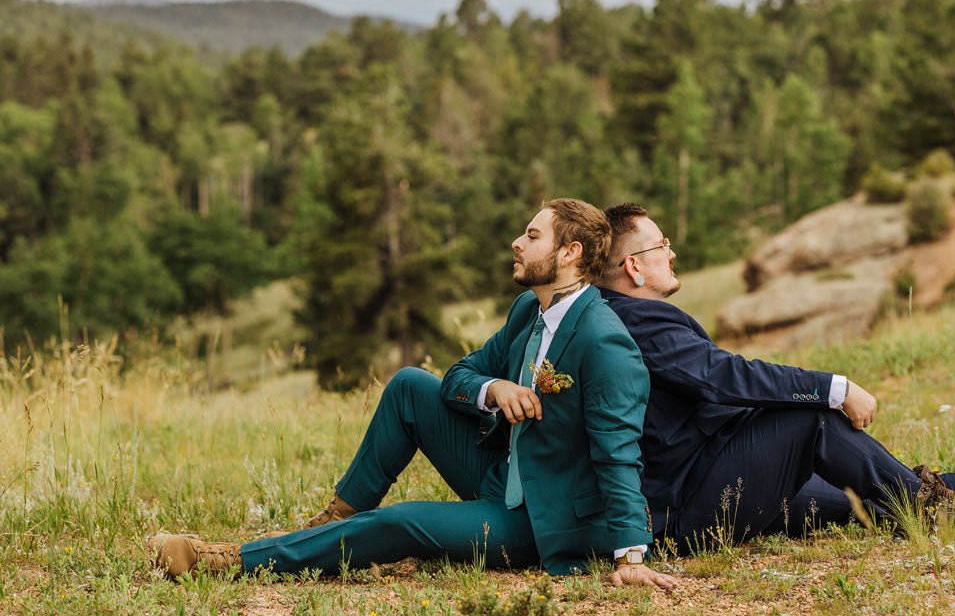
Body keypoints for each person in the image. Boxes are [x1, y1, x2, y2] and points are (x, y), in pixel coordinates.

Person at [150, 198, 678, 591]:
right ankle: (333, 525)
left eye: (532, 236)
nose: (517, 243)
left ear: (570, 252)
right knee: (408, 385)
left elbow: (618, 452)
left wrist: (630, 556)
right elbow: (458, 377)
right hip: (501, 475)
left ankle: (226, 560)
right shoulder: (528, 312)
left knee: (402, 521)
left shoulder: (603, 340)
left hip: (541, 520)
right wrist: (494, 389)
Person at [596, 203, 955, 548]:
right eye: (661, 246)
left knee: (859, 496)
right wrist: (833, 389)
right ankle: (935, 513)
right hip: (690, 505)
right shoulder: (636, 322)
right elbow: (722, 376)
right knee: (811, 418)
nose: (671, 252)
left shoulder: (628, 316)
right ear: (634, 266)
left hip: (712, 477)